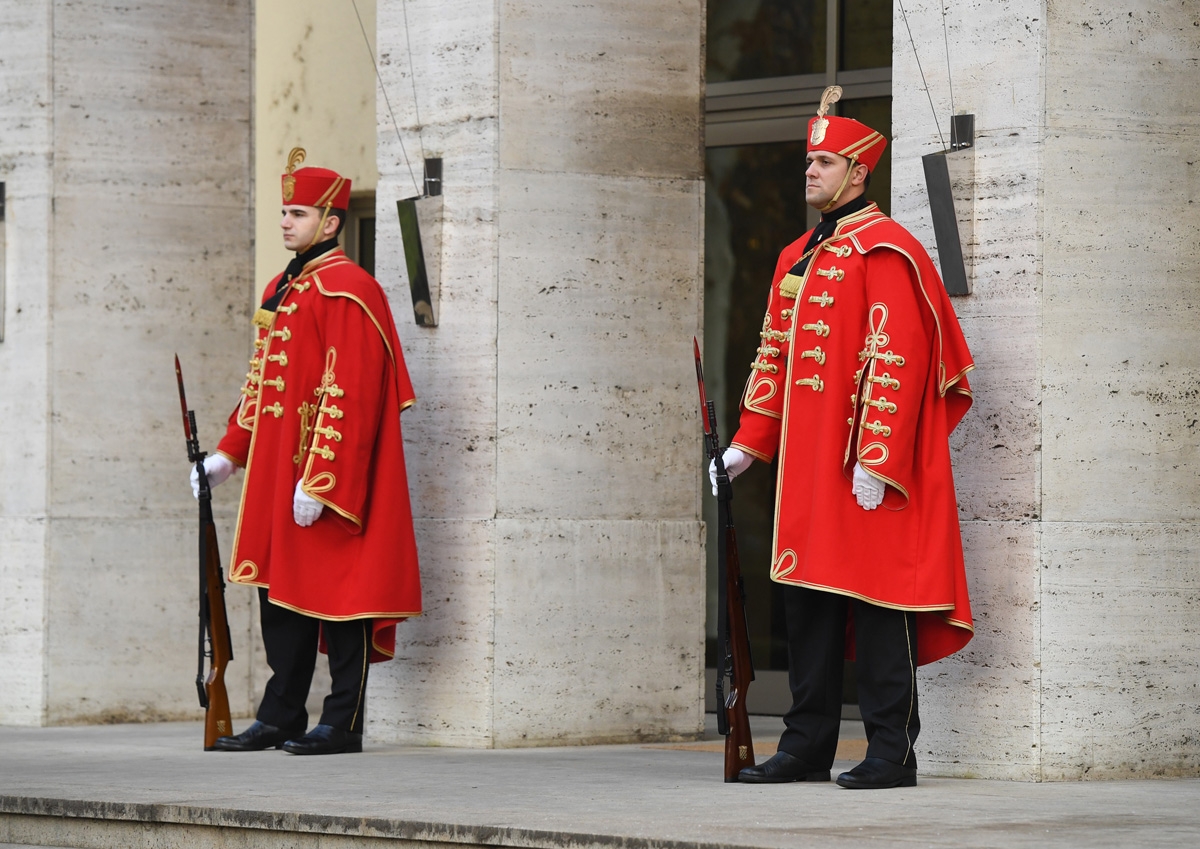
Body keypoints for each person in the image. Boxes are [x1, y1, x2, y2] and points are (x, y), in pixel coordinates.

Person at [710, 87, 975, 789]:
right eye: (809, 161)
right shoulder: (798, 254)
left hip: (866, 471)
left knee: (883, 608)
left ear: (859, 172)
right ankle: (806, 744)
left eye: (824, 161)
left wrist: (877, 459)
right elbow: (773, 354)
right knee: (810, 604)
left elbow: (897, 361)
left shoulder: (887, 249)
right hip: (804, 470)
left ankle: (893, 751)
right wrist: (746, 442)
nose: (810, 172)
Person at [190, 148, 422, 755]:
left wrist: (321, 480)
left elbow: (352, 394)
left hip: (327, 478)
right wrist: (228, 455)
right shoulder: (284, 286)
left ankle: (342, 721)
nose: (286, 222)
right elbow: (263, 386)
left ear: (331, 221)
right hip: (277, 475)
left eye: (297, 213)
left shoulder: (350, 288)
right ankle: (281, 714)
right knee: (281, 599)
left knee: (344, 598)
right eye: (284, 212)